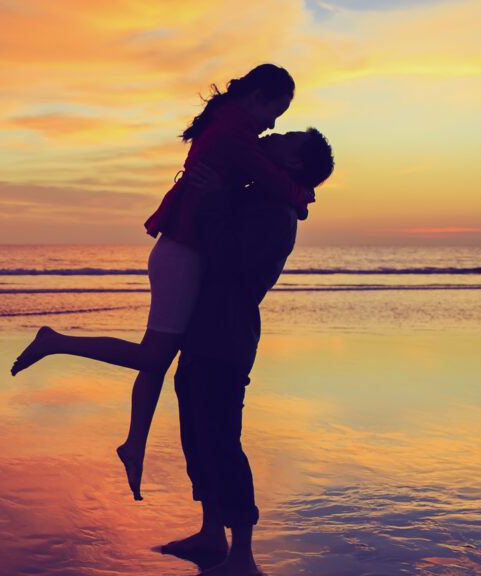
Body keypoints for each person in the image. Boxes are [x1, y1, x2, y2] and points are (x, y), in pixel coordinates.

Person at [11, 64, 314, 501]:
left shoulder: (229, 123)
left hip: (182, 247)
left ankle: (135, 445)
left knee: (158, 357)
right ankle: (55, 341)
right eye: (275, 112)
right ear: (257, 97)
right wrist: (303, 197)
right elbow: (272, 181)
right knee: (153, 355)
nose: (273, 124)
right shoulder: (234, 134)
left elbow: (257, 186)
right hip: (182, 251)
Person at [159, 129, 334, 576]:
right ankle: (211, 533)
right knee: (196, 435)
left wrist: (217, 197)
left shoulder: (275, 211)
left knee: (221, 440)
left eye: (287, 137)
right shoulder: (261, 192)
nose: (273, 133)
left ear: (293, 163)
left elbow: (227, 260)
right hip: (205, 328)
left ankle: (243, 557)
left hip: (226, 334)